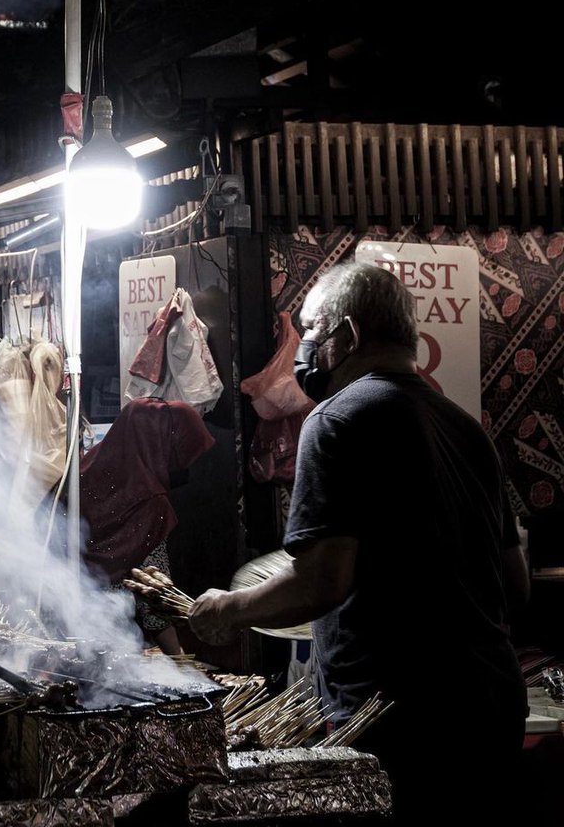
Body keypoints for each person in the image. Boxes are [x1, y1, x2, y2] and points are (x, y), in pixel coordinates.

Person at [187, 261, 529, 824]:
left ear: (348, 333)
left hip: (400, 720)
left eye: (314, 332)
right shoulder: (468, 430)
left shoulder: (338, 418)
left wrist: (229, 608)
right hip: (491, 707)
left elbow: (321, 581)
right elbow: (514, 590)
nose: (308, 350)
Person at [79, 396, 214, 655]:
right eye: (180, 454)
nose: (182, 465)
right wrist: (180, 659)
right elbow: (153, 596)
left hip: (56, 617)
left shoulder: (85, 470)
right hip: (109, 639)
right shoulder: (150, 502)